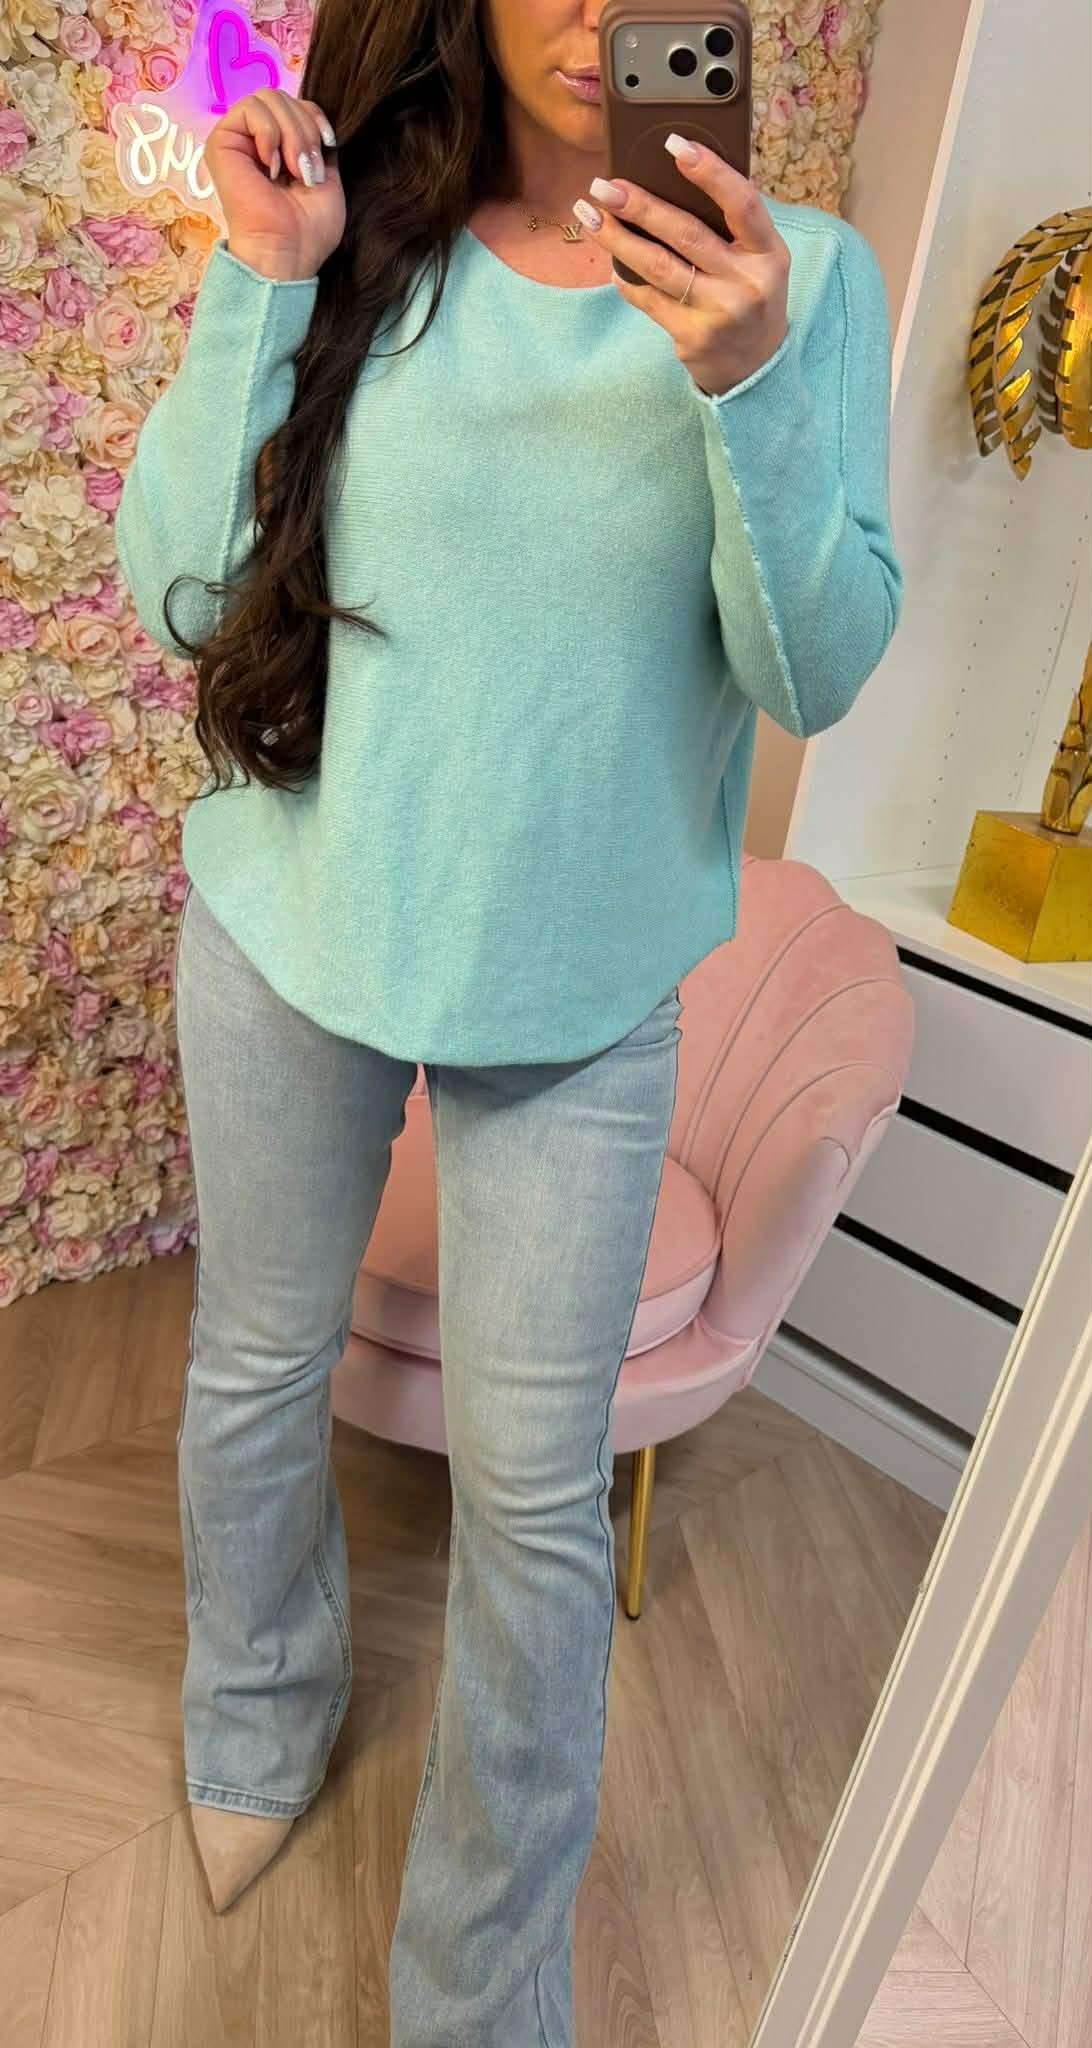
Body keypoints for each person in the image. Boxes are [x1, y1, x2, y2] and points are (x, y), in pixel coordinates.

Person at [114, 2, 903, 2040]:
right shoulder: (359, 236)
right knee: (255, 1367)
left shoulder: (801, 282)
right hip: (294, 923)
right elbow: (183, 585)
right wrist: (260, 288)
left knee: (536, 1508)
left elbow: (812, 671)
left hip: (580, 991)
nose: (601, 17)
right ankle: (254, 1718)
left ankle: (482, 1980)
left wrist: (746, 383)